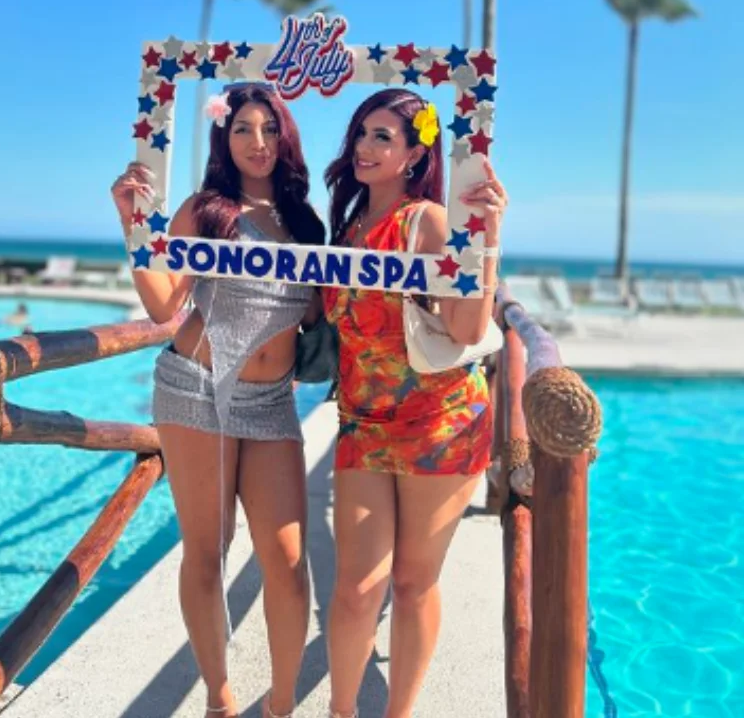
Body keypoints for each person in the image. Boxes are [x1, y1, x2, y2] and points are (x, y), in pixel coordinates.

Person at [111, 82, 325, 718]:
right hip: (195, 389)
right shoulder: (207, 211)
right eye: (242, 129)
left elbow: (322, 312)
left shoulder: (307, 223)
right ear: (223, 139)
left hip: (272, 402)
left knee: (288, 561)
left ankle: (280, 705)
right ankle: (220, 700)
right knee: (209, 551)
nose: (257, 142)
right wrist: (131, 221)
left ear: (285, 136)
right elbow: (162, 304)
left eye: (269, 128)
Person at [322, 88, 508, 718]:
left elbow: (466, 327)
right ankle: (341, 710)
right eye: (361, 133)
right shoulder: (346, 228)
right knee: (355, 589)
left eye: (383, 137)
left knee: (411, 582)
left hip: (439, 422)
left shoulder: (425, 220)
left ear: (413, 154)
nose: (365, 146)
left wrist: (487, 236)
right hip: (362, 422)